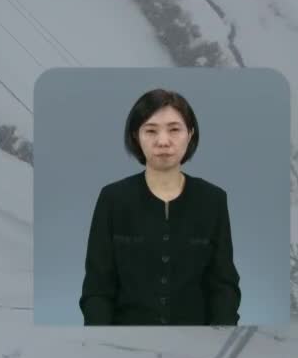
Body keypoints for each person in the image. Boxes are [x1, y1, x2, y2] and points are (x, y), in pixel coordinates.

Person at [80, 89, 240, 325]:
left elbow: (223, 286)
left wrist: (218, 340)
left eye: (174, 129)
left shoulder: (213, 200)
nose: (163, 141)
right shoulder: (113, 199)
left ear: (190, 134)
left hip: (197, 343)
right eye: (151, 130)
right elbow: (97, 289)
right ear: (136, 136)